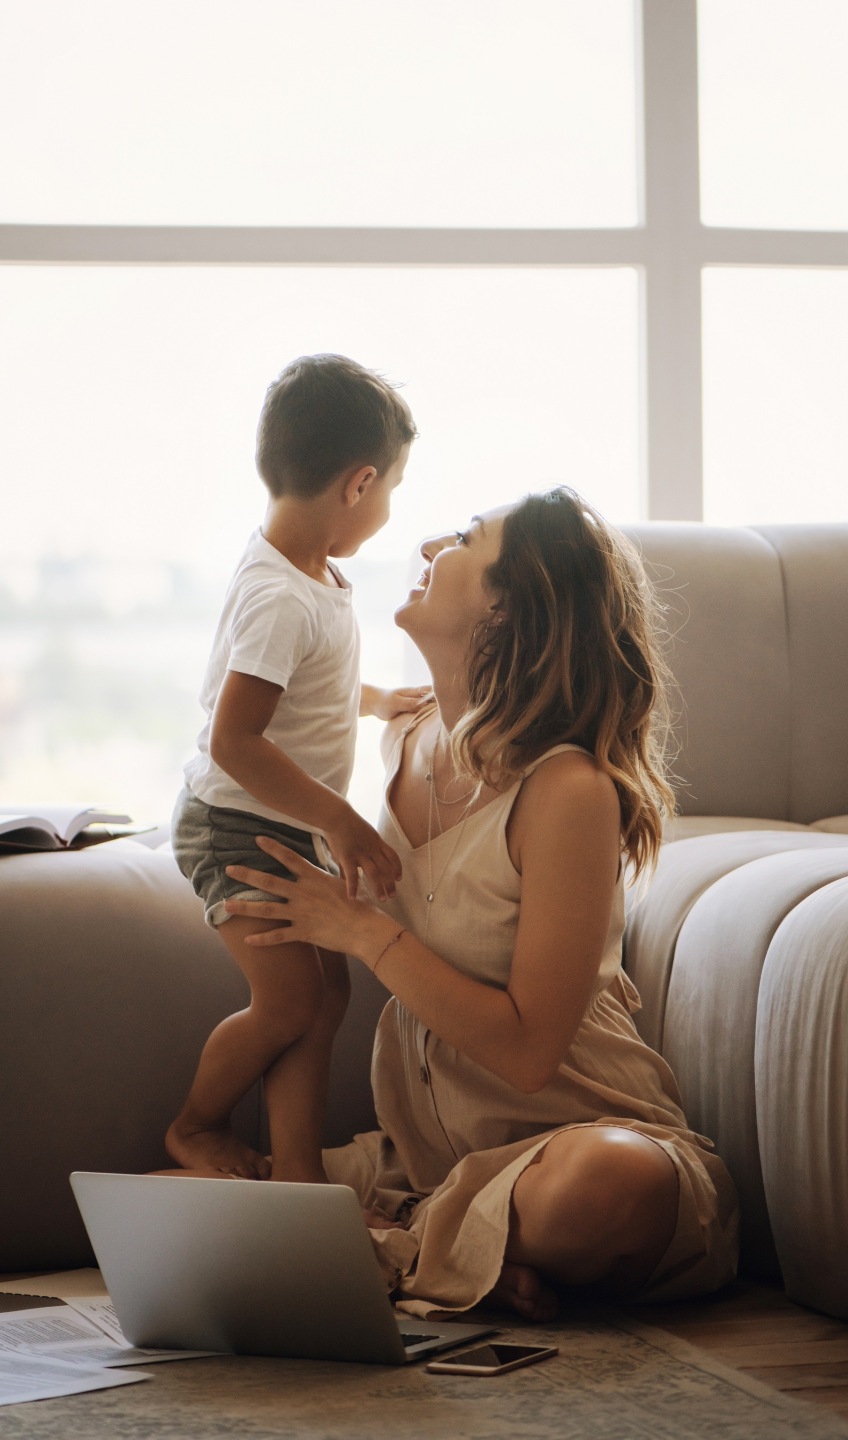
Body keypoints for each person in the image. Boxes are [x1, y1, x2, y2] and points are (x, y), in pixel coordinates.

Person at [220, 487, 740, 1320]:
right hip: (423, 1165)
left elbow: (532, 1053)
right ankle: (449, 1250)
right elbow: (243, 718)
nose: (428, 545)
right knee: (176, 1194)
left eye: (465, 538)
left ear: (509, 609)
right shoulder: (404, 736)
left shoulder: (568, 789)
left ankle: (396, 1247)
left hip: (576, 1150)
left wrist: (358, 930)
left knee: (606, 1189)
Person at [167, 353, 429, 1185]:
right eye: (391, 489)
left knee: (329, 998)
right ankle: (197, 1126)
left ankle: (296, 1175)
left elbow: (305, 689)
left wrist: (379, 698)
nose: (388, 509)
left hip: (280, 820)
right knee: (288, 1001)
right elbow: (236, 741)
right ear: (358, 484)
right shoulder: (279, 594)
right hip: (238, 823)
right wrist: (342, 821)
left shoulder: (311, 575)